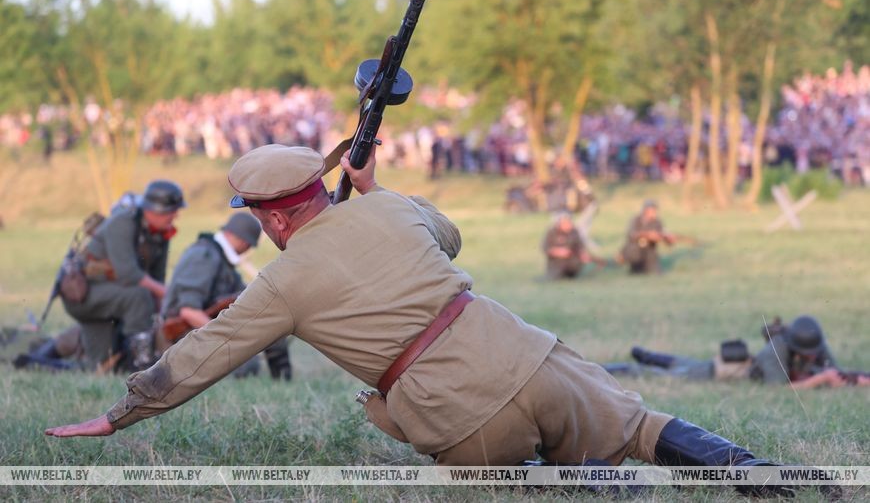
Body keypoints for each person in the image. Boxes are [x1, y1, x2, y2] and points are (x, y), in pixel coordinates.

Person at [46, 145, 792, 496]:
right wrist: (376, 192)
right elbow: (450, 237)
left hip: (454, 408)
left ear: (272, 218)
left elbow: (203, 354)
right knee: (639, 424)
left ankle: (584, 487)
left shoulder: (280, 282)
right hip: (526, 351)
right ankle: (757, 473)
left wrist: (118, 415)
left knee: (491, 479)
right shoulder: (392, 206)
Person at [61, 180, 184, 370]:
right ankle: (141, 362)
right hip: (84, 294)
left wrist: (164, 310)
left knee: (102, 365)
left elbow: (156, 279)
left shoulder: (160, 233)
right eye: (172, 211)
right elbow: (129, 275)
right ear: (154, 210)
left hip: (113, 296)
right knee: (139, 297)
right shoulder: (123, 222)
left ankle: (41, 356)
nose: (176, 215)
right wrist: (169, 294)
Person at [160, 212, 292, 380]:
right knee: (245, 365)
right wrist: (227, 338)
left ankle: (282, 378)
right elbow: (189, 312)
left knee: (269, 327)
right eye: (248, 244)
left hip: (202, 329)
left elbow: (246, 297)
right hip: (182, 335)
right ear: (242, 241)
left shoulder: (221, 259)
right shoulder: (203, 256)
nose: (248, 249)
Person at [605, 316, 868, 388]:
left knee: (683, 362)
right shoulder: (777, 348)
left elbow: (837, 372)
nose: (813, 356)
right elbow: (779, 389)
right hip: (725, 372)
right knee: (672, 374)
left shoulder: (814, 344)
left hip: (733, 365)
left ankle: (648, 355)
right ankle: (624, 368)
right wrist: (819, 380)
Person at [619, 199, 674, 274]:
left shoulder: (657, 222)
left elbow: (665, 236)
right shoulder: (636, 220)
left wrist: (669, 239)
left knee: (655, 272)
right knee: (636, 268)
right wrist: (648, 235)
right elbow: (631, 235)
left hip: (650, 251)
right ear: (646, 210)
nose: (654, 212)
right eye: (652, 210)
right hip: (636, 250)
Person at [541, 212, 589, 279]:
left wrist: (583, 254)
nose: (568, 225)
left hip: (571, 261)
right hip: (556, 262)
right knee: (555, 277)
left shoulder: (574, 232)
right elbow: (545, 248)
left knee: (574, 270)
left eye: (569, 222)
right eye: (565, 223)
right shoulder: (552, 232)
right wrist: (558, 251)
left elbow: (580, 246)